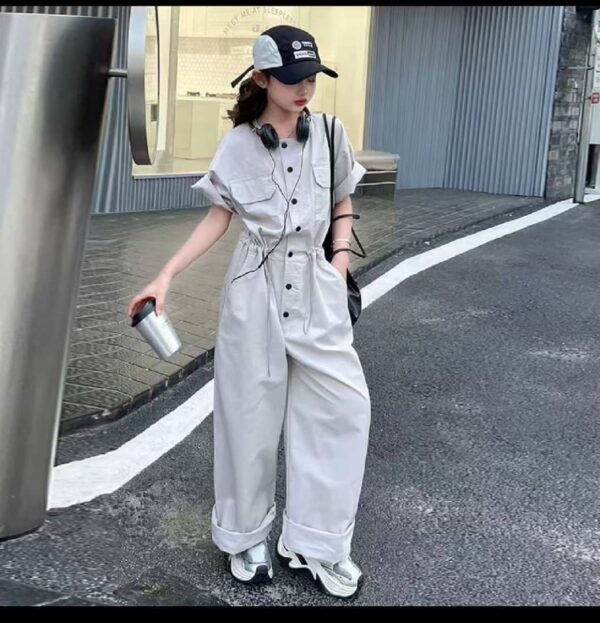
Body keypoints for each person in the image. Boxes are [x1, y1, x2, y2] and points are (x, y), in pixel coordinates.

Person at [128, 25, 371, 599]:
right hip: (254, 289)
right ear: (261, 78)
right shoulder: (238, 144)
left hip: (316, 285)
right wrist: (166, 275)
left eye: (312, 78)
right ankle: (245, 536)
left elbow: (342, 199)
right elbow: (219, 217)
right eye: (292, 79)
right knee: (248, 417)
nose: (305, 89)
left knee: (343, 410)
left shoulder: (330, 132)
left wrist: (338, 263)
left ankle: (316, 544)